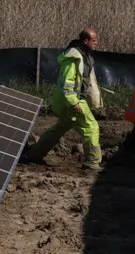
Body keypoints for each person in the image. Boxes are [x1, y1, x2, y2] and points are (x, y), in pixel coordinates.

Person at [21, 28, 104, 171]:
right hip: (74, 102)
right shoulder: (73, 59)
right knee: (91, 127)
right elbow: (67, 83)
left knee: (58, 129)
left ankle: (34, 155)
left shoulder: (84, 57)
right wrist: (74, 102)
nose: (96, 43)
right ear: (86, 41)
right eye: (94, 40)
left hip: (71, 102)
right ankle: (92, 162)